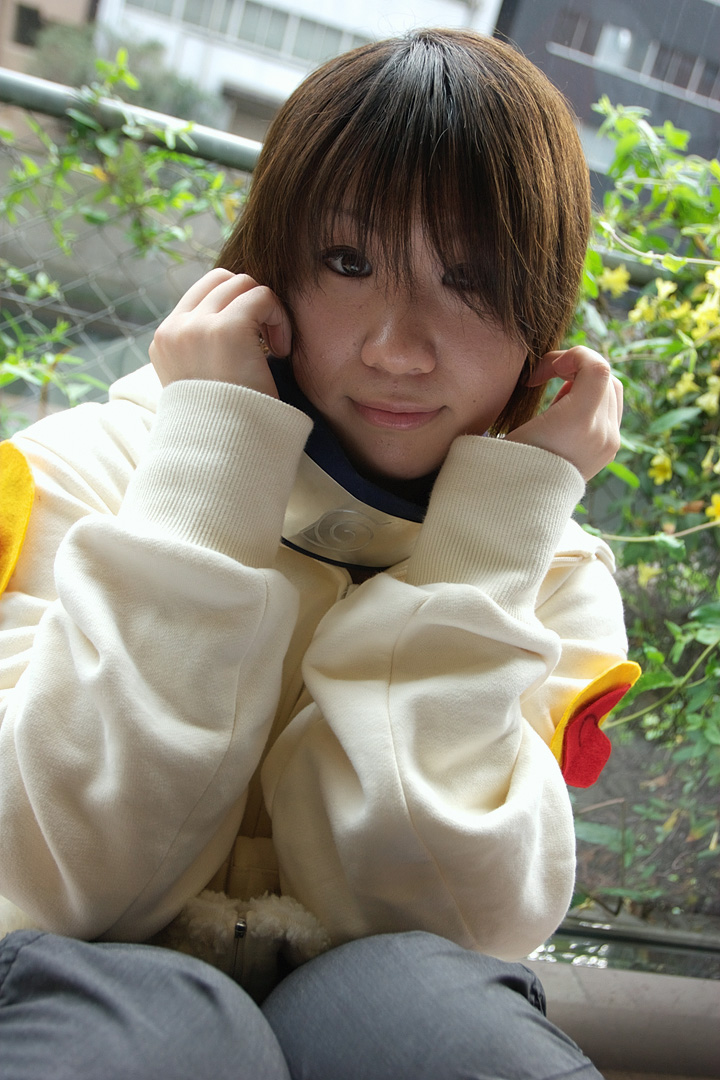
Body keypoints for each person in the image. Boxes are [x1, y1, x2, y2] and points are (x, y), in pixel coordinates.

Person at [0, 27, 637, 1079]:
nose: (398, 347)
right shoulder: (87, 469)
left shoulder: (551, 570)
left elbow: (457, 931)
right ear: (265, 272)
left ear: (544, 320)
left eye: (471, 279)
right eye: (348, 262)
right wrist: (210, 472)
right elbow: (52, 884)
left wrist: (486, 550)